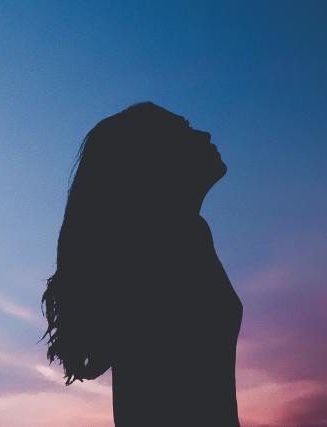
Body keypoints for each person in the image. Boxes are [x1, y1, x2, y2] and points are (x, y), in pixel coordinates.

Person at [42, 102, 243, 426]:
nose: (204, 134)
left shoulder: (185, 233)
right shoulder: (162, 242)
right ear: (157, 158)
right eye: (186, 131)